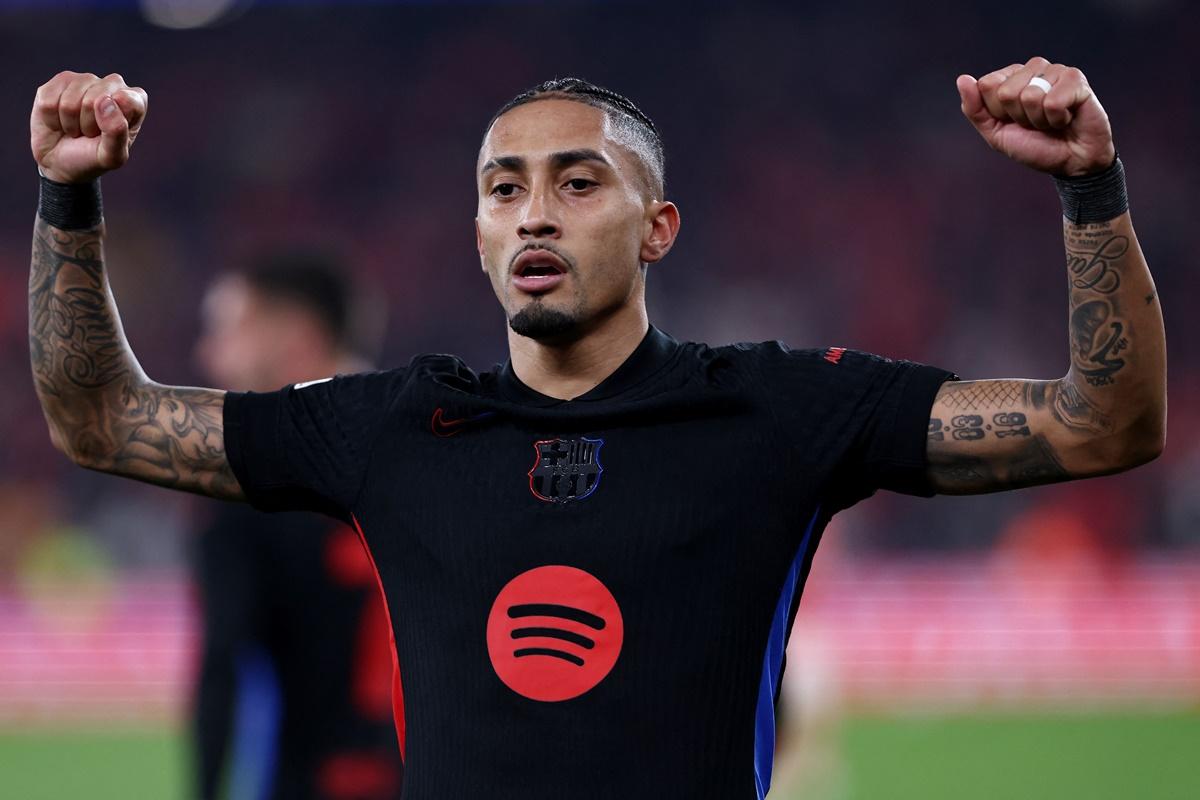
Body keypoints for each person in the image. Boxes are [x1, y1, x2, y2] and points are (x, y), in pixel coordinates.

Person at [27, 58, 1166, 799]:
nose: (533, 210)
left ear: (658, 225)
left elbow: (1103, 421)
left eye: (578, 183)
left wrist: (1091, 191)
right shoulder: (392, 427)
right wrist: (68, 199)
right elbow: (105, 420)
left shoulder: (778, 407)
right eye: (504, 188)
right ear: (477, 235)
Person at [190, 256, 402, 800]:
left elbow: (222, 664)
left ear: (297, 339)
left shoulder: (247, 484)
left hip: (316, 780)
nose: (207, 354)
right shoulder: (438, 442)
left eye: (227, 330)